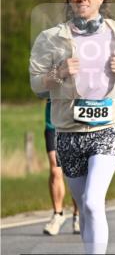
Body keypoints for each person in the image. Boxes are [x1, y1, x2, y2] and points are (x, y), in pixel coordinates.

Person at [29, 0, 115, 255]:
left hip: (109, 126)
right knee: (87, 209)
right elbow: (37, 84)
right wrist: (58, 72)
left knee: (92, 201)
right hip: (68, 130)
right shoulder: (51, 39)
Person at [42, 96, 80, 235]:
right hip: (54, 123)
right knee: (55, 169)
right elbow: (40, 85)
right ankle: (58, 214)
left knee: (76, 168)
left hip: (77, 122)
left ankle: (78, 215)